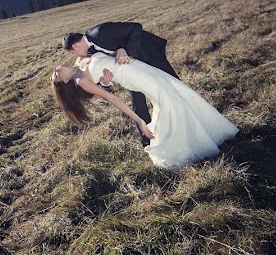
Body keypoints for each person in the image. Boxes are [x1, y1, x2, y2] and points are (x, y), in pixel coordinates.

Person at [51, 51, 238, 170]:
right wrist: (140, 121)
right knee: (169, 100)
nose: (55, 71)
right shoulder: (80, 80)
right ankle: (186, 145)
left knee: (177, 92)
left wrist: (106, 78)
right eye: (55, 76)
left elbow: (106, 57)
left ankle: (210, 129)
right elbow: (113, 99)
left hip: (136, 64)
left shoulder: (79, 60)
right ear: (64, 82)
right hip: (133, 77)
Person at [63, 22, 177, 146]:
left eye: (73, 53)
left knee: (174, 84)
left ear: (74, 47)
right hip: (130, 75)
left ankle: (179, 120)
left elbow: (136, 27)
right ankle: (148, 141)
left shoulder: (101, 31)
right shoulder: (88, 53)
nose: (75, 56)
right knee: (138, 105)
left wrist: (126, 51)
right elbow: (103, 65)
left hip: (148, 54)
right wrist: (105, 82)